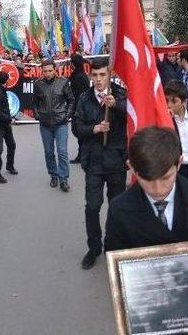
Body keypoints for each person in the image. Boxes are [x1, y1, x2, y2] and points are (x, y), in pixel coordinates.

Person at [104, 126, 188, 252]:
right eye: (147, 179)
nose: (158, 190)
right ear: (131, 167)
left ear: (179, 163)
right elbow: (115, 259)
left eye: (165, 178)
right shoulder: (119, 209)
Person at [74, 59, 127, 269]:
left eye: (102, 75)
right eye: (95, 75)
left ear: (109, 74)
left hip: (116, 160)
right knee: (92, 207)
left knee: (117, 207)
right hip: (94, 161)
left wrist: (116, 105)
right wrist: (94, 129)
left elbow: (132, 116)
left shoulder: (120, 94)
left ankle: (113, 246)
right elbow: (77, 127)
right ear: (90, 76)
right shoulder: (84, 98)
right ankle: (94, 248)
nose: (98, 80)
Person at [33, 59, 75, 192]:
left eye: (50, 70)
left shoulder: (63, 82)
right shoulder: (38, 84)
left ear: (55, 70)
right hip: (45, 124)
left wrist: (67, 115)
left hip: (61, 123)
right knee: (49, 152)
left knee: (62, 152)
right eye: (45, 71)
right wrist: (37, 114)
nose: (47, 73)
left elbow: (71, 100)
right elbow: (34, 102)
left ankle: (63, 179)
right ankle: (53, 175)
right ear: (42, 71)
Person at [0, 71, 17, 183]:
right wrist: (9, 118)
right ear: (6, 81)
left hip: (4, 123)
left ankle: (9, 166)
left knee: (11, 145)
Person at [69, 54, 90, 163]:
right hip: (80, 108)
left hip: (79, 109)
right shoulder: (80, 75)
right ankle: (82, 154)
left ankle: (83, 155)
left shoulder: (78, 77)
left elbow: (78, 95)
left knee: (80, 132)